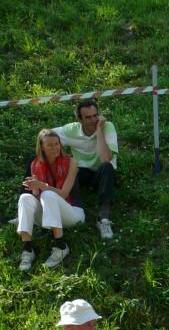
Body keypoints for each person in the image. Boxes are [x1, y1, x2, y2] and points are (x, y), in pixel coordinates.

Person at [17, 129, 83, 271]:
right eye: (50, 145)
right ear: (41, 147)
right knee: (25, 197)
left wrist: (42, 186)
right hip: (48, 212)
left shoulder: (71, 162)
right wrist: (34, 187)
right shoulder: (35, 164)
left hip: (72, 213)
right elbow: (36, 197)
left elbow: (64, 194)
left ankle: (61, 246)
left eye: (57, 144)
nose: (55, 148)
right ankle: (27, 249)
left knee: (48, 194)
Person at [54, 99, 117, 239]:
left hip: (102, 173)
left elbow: (105, 158)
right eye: (88, 117)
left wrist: (99, 130)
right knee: (67, 170)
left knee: (107, 166)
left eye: (95, 115)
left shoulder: (107, 127)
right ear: (79, 119)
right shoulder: (71, 130)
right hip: (81, 171)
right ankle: (65, 211)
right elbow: (45, 137)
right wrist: (62, 156)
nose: (94, 120)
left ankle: (104, 219)